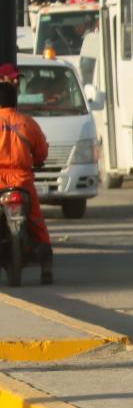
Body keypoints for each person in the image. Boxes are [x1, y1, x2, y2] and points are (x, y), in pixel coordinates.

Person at [0, 63, 52, 284]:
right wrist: (38, 161)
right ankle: (46, 266)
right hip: (23, 180)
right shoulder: (28, 123)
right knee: (36, 221)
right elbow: (41, 151)